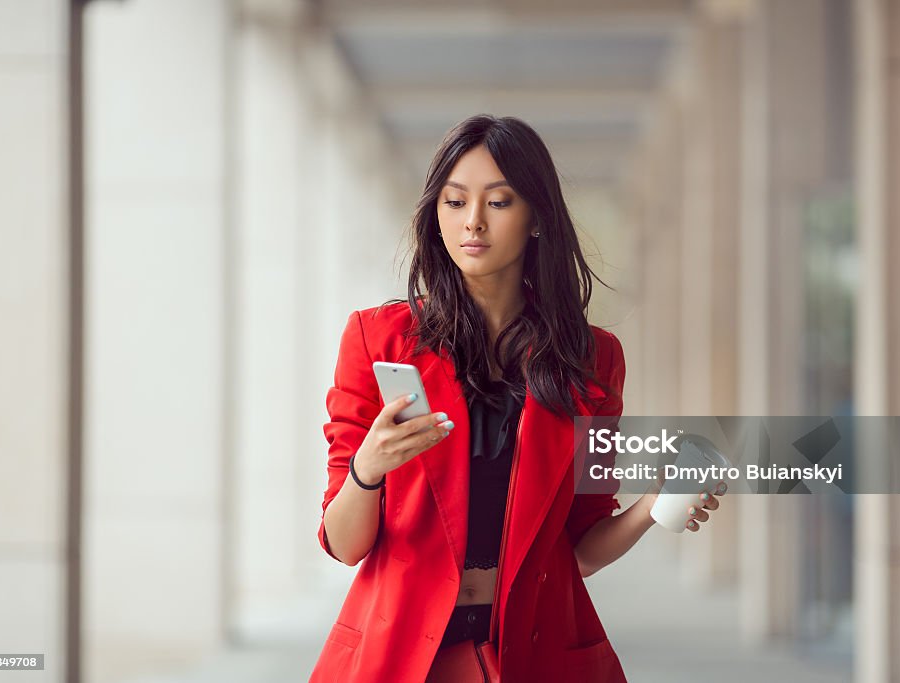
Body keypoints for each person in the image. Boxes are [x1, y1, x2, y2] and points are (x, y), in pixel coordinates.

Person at [309, 114, 726, 683]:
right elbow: (344, 542)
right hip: (404, 656)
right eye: (454, 202)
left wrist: (654, 504)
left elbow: (579, 546)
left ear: (535, 217)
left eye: (499, 203)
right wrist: (367, 469)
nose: (472, 222)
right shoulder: (378, 340)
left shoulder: (593, 360)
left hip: (533, 654)